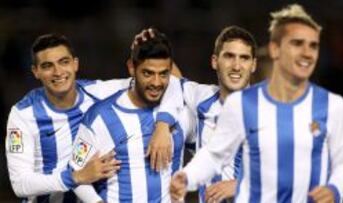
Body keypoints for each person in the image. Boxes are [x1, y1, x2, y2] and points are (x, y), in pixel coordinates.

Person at [170, 4, 343, 203]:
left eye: (313, 45)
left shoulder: (332, 106)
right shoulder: (241, 105)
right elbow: (214, 155)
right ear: (276, 50)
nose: (306, 53)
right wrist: (187, 177)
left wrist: (335, 189)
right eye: (296, 44)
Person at [5, 33, 178, 203]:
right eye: (47, 66)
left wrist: (153, 48)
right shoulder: (23, 115)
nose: (58, 72)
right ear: (36, 71)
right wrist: (76, 177)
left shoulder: (99, 93)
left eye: (64, 62)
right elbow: (20, 184)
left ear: (75, 64)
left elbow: (170, 83)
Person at [69, 29, 194, 202]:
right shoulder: (101, 117)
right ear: (131, 68)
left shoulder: (181, 111)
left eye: (163, 74)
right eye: (147, 73)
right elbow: (75, 170)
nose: (156, 83)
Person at [142, 25, 257, 203]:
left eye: (244, 58)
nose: (236, 66)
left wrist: (239, 185)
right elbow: (175, 81)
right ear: (214, 61)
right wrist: (162, 126)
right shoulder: (204, 97)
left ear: (253, 65)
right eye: (229, 56)